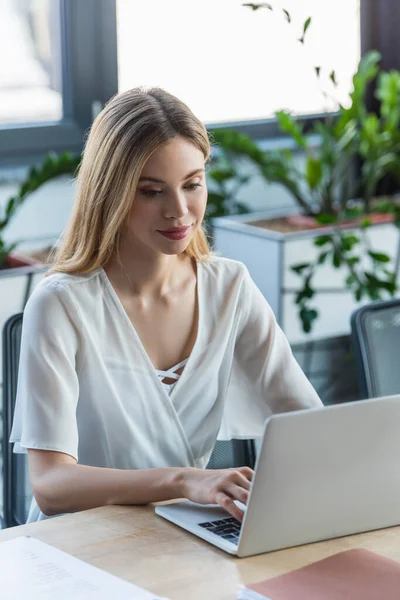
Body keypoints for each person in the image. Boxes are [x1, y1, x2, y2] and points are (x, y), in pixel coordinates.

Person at [10, 88, 322, 524]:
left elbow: (311, 428)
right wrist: (184, 481)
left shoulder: (229, 287)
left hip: (183, 534)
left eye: (192, 184)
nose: (179, 211)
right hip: (78, 546)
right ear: (112, 193)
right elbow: (50, 487)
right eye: (152, 191)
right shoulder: (62, 302)